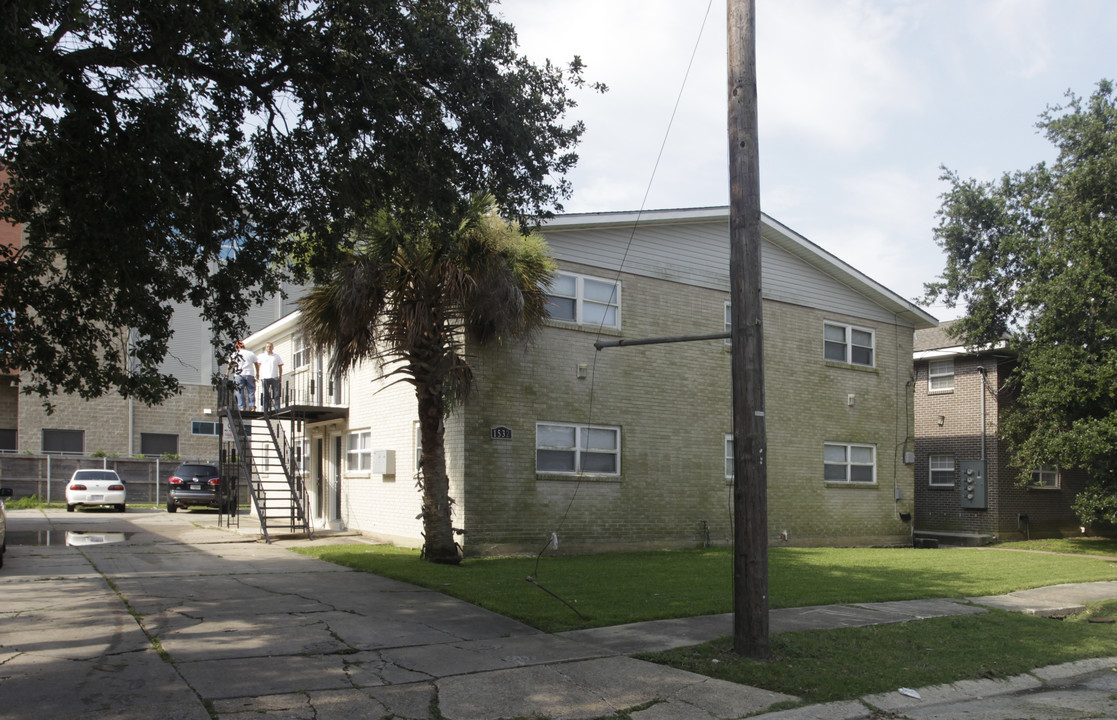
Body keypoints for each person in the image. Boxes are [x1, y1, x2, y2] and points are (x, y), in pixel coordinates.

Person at [227, 341, 258, 412]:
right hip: (249, 373)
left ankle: (241, 408)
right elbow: (256, 364)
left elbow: (229, 364)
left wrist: (227, 374)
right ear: (244, 346)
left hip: (239, 374)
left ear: (237, 347)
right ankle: (252, 407)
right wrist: (257, 374)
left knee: (239, 391)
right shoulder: (251, 353)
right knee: (251, 390)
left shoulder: (235, 354)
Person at [257, 342, 284, 413]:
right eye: (267, 347)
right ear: (265, 348)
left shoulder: (276, 356)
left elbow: (280, 367)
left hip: (274, 377)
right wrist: (258, 375)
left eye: (270, 346)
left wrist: (280, 376)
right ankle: (265, 408)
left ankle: (277, 407)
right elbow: (258, 366)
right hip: (265, 377)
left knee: (276, 393)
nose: (269, 348)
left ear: (272, 347)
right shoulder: (261, 356)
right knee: (265, 394)